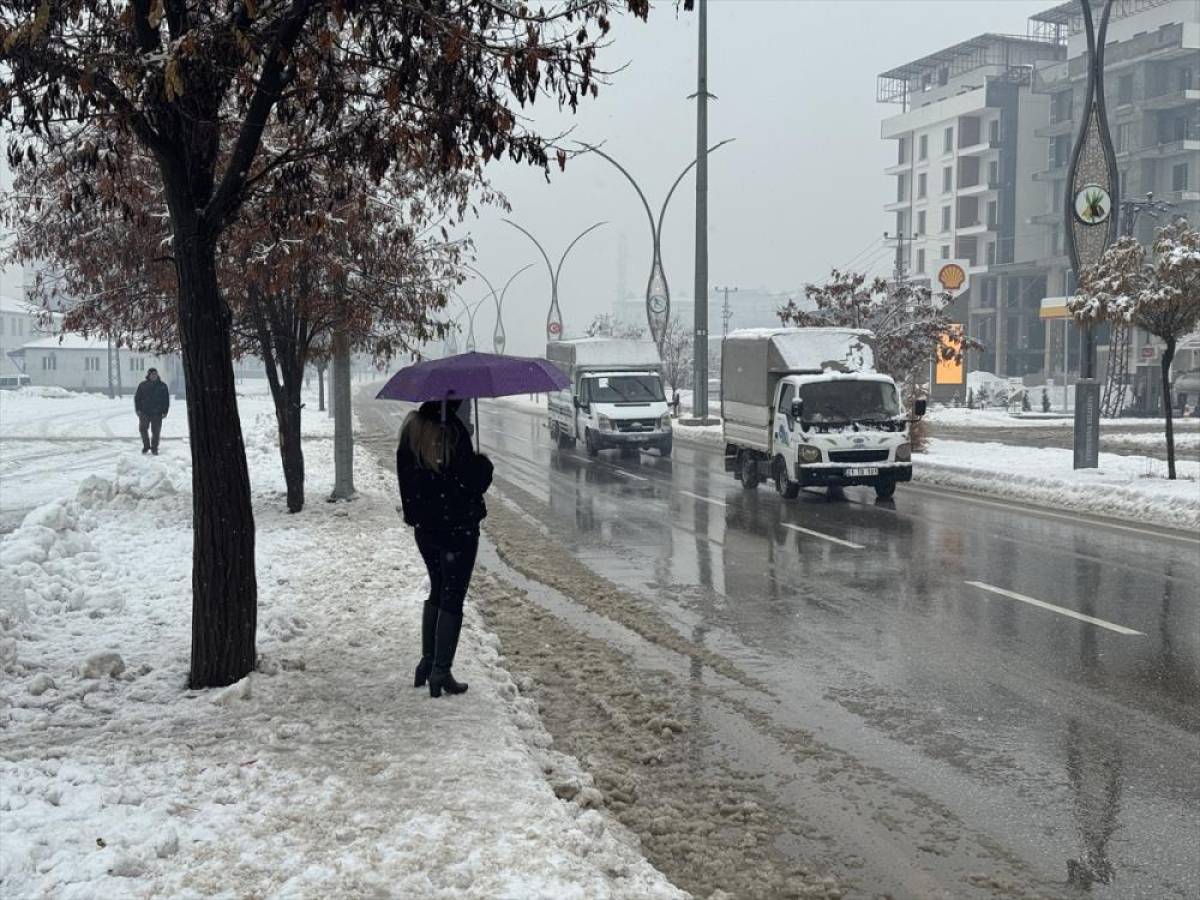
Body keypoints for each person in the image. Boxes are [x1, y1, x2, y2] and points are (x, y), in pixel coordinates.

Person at [396, 399, 493, 698]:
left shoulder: (411, 432)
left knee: (438, 589)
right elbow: (471, 481)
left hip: (426, 531)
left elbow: (409, 481)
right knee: (453, 596)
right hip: (457, 530)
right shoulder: (452, 432)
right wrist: (482, 463)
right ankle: (441, 671)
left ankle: (427, 663)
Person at [134, 368, 170, 455]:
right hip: (144, 412)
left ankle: (154, 448)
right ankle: (146, 446)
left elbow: (166, 400)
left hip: (157, 413)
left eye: (155, 374)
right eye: (152, 374)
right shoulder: (143, 385)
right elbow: (137, 398)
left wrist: (165, 411)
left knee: (156, 431)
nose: (154, 376)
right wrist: (138, 409)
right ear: (148, 375)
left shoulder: (162, 386)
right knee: (143, 429)